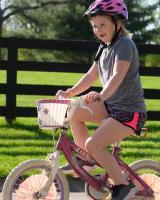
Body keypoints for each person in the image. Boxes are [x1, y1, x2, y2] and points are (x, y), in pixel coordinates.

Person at [56, 0, 147, 199]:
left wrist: (100, 96)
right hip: (111, 108)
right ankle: (88, 160)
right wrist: (70, 93)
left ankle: (124, 186)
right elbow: (91, 76)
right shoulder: (104, 47)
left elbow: (117, 76)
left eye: (103, 24)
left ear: (117, 23)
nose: (98, 30)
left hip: (130, 113)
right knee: (74, 111)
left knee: (94, 143)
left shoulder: (124, 45)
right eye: (94, 26)